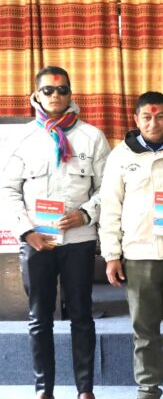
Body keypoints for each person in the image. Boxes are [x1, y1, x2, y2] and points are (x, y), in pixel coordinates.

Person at [0, 65, 110, 399]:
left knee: (81, 315)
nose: (55, 95)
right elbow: (7, 189)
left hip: (78, 240)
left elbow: (107, 190)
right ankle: (43, 390)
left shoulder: (92, 137)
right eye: (48, 90)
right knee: (39, 318)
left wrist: (85, 214)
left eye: (62, 90)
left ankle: (85, 390)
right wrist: (26, 232)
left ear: (71, 94)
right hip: (37, 242)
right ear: (36, 95)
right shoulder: (21, 138)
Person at [99, 91, 163, 399]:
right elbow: (110, 209)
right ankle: (148, 389)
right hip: (138, 256)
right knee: (144, 330)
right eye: (146, 117)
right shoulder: (120, 157)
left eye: (159, 116)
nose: (153, 123)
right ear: (136, 119)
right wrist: (112, 255)